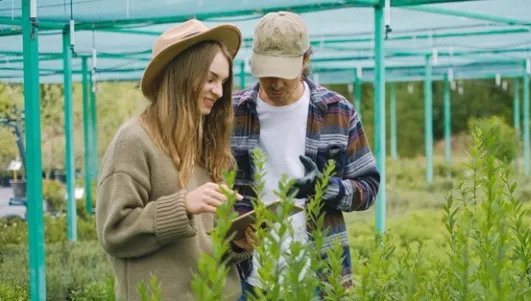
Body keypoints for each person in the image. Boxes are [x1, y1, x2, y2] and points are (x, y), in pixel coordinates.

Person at [95, 19, 256, 301]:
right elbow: (114, 232)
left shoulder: (204, 141)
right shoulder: (133, 141)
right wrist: (182, 205)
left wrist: (235, 242)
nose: (219, 92)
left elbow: (200, 241)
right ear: (183, 74)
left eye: (223, 82)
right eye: (210, 79)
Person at [231, 11, 381, 299]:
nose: (274, 84)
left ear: (306, 60)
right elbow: (212, 182)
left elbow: (369, 188)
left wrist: (325, 188)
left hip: (317, 276)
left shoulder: (338, 112)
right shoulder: (233, 112)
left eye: (283, 74)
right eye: (267, 73)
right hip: (247, 276)